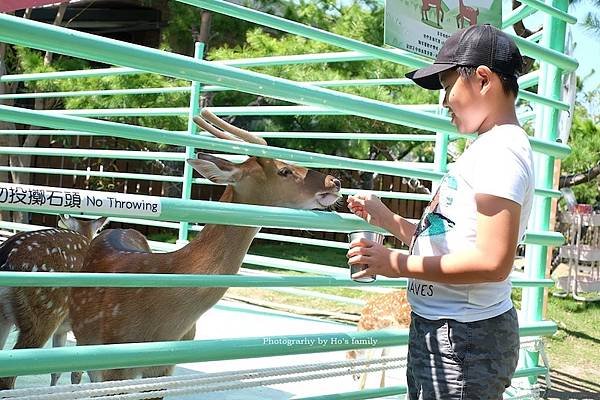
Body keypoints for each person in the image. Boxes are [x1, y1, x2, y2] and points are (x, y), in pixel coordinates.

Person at [346, 24, 534, 399]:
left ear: (483, 79)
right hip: (446, 328)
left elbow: (494, 262)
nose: (444, 101)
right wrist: (386, 220)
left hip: (463, 336)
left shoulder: (501, 152)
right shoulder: (489, 147)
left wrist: (393, 263)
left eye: (448, 87)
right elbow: (449, 238)